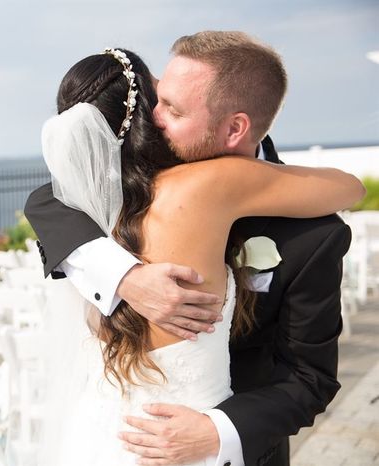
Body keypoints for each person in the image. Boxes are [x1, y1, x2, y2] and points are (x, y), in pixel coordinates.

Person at [27, 34, 364, 466]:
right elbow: (47, 196)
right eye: (158, 99)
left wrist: (218, 431)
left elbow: (309, 379)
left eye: (175, 109)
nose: (154, 117)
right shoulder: (132, 185)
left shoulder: (313, 234)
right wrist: (124, 277)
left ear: (234, 128)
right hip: (118, 430)